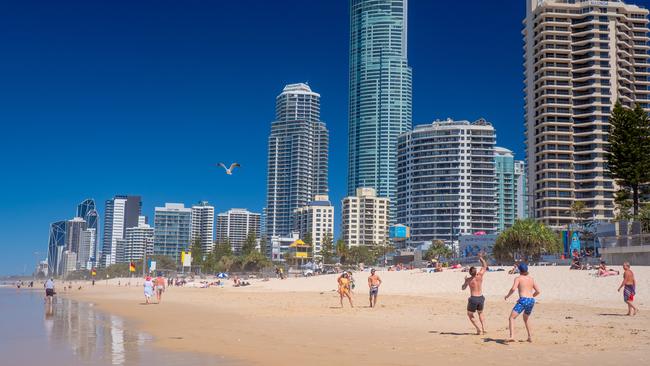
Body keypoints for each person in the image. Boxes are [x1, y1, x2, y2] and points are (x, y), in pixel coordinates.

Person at [504, 263, 540, 343]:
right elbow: (538, 291)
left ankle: (512, 336)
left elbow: (513, 289)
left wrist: (507, 296)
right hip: (531, 301)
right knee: (526, 318)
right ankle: (530, 337)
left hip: (523, 300)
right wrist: (531, 297)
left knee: (511, 318)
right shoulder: (531, 279)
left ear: (519, 270)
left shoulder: (518, 278)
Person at [462, 253, 488, 335]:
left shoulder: (469, 280)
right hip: (481, 298)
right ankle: (484, 328)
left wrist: (465, 281)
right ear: (476, 272)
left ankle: (478, 329)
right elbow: (485, 266)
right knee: (480, 313)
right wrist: (481, 258)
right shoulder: (480, 275)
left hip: (473, 298)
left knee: (470, 314)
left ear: (470, 273)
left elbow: (463, 288)